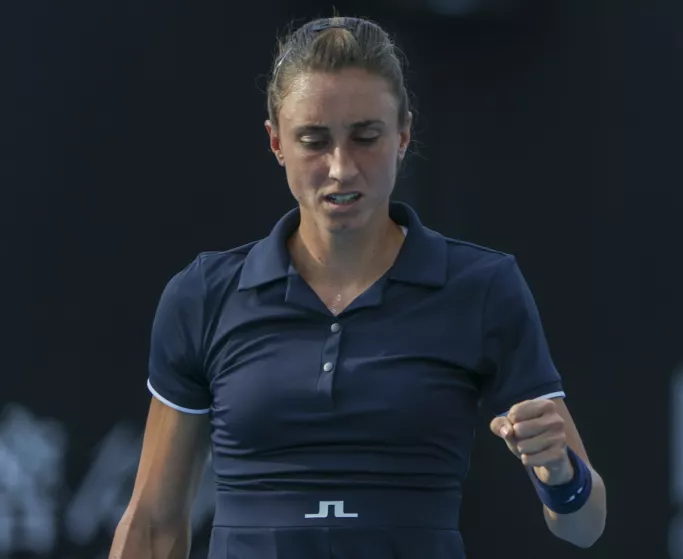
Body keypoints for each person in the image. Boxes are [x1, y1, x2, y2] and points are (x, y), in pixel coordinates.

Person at [109, 15, 606, 559]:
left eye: (365, 137)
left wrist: (560, 472)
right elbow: (154, 525)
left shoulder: (484, 287)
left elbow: (583, 525)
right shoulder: (204, 294)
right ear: (276, 142)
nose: (341, 168)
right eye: (314, 141)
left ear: (403, 135)